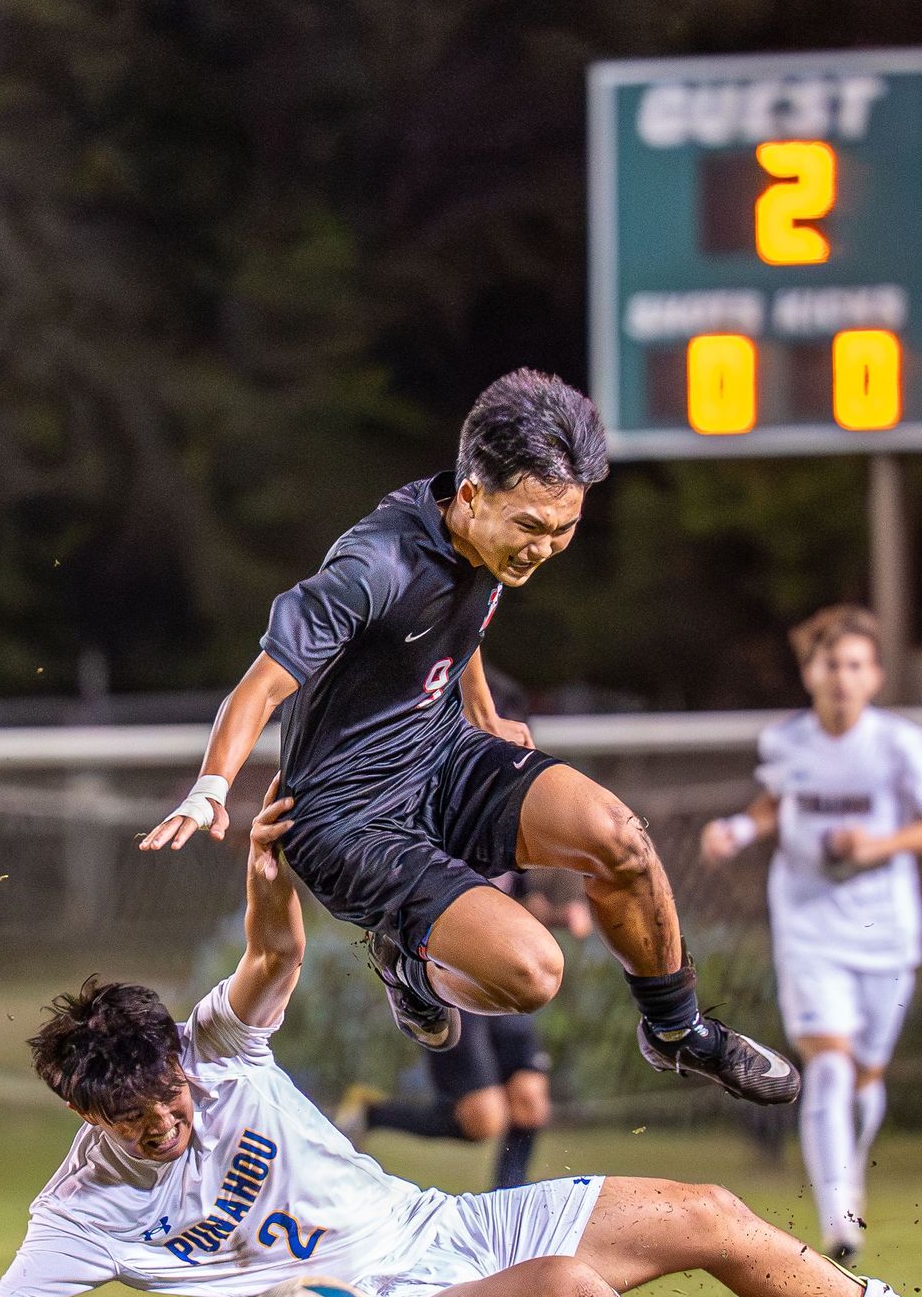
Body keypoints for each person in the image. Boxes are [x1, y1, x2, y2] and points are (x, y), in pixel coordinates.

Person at [0, 786, 922, 1297]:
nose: (172, 1126)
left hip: (451, 1231)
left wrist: (267, 871)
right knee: (578, 1295)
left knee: (714, 1210)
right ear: (93, 1121)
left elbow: (273, 961)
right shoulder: (81, 1206)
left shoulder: (214, 1050)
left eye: (176, 1101)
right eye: (144, 1128)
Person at [139, 367, 799, 1110]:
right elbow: (262, 683)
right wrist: (210, 790)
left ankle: (679, 1033)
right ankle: (411, 969)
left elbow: (458, 615)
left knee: (622, 840)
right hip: (348, 820)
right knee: (531, 975)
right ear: (474, 493)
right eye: (531, 527)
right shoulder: (373, 567)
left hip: (442, 755)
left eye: (564, 529)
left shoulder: (485, 538)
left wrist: (479, 707)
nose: (544, 549)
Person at [701, 606, 922, 1264]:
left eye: (854, 665)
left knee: (866, 1076)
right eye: (830, 664)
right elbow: (776, 802)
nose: (841, 678)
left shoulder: (900, 744)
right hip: (809, 923)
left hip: (885, 928)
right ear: (810, 673)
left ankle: (852, 1158)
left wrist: (877, 845)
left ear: (873, 676)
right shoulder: (787, 741)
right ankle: (840, 1220)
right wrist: (738, 828)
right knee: (829, 1064)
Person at [336, 870, 589, 1191]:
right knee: (485, 1119)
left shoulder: (502, 842)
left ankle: (506, 1202)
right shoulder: (434, 843)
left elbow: (524, 903)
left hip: (502, 983)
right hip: (451, 988)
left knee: (531, 1101)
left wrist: (561, 915)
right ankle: (373, 1113)